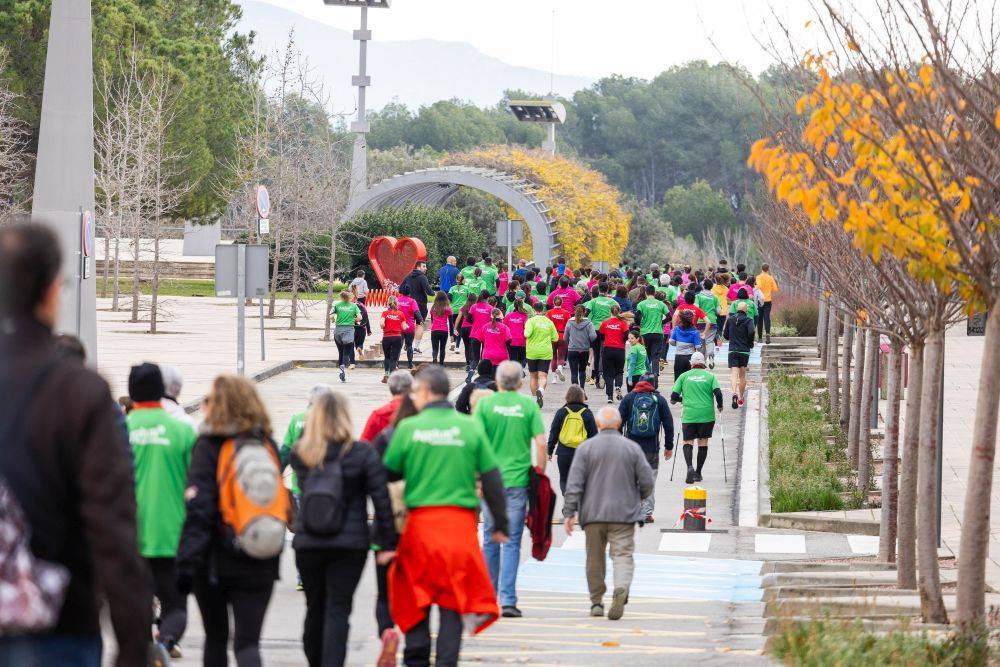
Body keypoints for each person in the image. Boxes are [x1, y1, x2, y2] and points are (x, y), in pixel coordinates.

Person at [0, 223, 152, 665]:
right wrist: (133, 645)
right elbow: (112, 525)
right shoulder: (79, 391)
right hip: (57, 624)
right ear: (51, 291)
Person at [382, 365, 509, 667]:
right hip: (459, 530)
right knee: (453, 603)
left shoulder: (409, 428)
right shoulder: (469, 427)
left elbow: (388, 472)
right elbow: (492, 478)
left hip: (421, 528)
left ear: (424, 391)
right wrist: (500, 524)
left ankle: (416, 658)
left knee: (417, 596)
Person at [177, 375, 287, 667]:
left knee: (216, 639)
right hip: (259, 556)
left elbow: (199, 509)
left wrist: (186, 563)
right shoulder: (266, 444)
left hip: (214, 560)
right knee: (248, 644)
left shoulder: (208, 445)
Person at [291, 392, 397, 667]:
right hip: (350, 544)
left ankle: (315, 660)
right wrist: (387, 542)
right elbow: (381, 499)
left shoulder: (302, 452)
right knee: (338, 609)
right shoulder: (361, 452)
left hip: (309, 540)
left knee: (315, 608)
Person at [125, 363, 198, 658]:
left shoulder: (118, 429)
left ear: (131, 393)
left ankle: (142, 646)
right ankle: (166, 643)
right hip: (172, 533)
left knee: (135, 601)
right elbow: (198, 484)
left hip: (128, 534)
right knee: (175, 604)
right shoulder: (183, 431)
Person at [562, 406, 654, 621]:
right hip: (624, 513)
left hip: (593, 514)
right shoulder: (632, 448)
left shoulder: (586, 448)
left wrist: (569, 512)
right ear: (620, 424)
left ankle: (596, 601)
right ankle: (621, 587)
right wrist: (639, 496)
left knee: (594, 558)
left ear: (598, 424)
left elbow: (574, 483)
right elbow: (647, 480)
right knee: (622, 555)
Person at [472, 361, 546, 618]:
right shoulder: (528, 406)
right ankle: (508, 600)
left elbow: (476, 444)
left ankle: (488, 597)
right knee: (512, 541)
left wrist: (477, 479)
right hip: (517, 482)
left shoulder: (485, 405)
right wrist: (539, 474)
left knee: (490, 537)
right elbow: (540, 444)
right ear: (521, 382)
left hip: (490, 483)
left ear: (498, 380)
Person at [618, 376, 674, 523]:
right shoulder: (659, 400)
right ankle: (646, 513)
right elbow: (668, 425)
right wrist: (669, 447)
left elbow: (618, 422)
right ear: (654, 385)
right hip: (652, 449)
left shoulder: (629, 398)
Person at [670, 351, 724, 484]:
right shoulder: (710, 376)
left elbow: (673, 397)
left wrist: (683, 399)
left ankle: (689, 467)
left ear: (691, 364)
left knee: (688, 442)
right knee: (702, 442)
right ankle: (698, 473)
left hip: (689, 414)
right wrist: (720, 406)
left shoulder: (683, 376)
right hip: (706, 415)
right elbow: (718, 393)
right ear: (703, 363)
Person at [547, 385, 598, 494]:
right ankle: (578, 503)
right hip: (582, 453)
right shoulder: (587, 413)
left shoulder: (561, 412)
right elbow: (594, 436)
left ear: (567, 396)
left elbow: (554, 432)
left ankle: (568, 501)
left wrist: (549, 450)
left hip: (563, 453)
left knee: (564, 479)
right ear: (582, 397)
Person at [523, 301, 559, 407]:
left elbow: (527, 334)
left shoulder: (530, 321)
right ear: (542, 310)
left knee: (533, 377)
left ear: (534, 310)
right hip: (545, 352)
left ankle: (535, 399)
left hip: (532, 352)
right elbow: (556, 338)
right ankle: (541, 390)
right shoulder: (549, 322)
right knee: (543, 376)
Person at [361, 370, 413, 442]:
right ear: (411, 387)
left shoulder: (378, 415)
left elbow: (364, 444)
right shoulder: (420, 411)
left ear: (390, 388)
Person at [724, 301, 756, 408]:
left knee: (734, 373)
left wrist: (731, 337)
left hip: (733, 350)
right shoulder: (749, 320)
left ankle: (734, 392)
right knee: (742, 375)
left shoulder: (730, 319)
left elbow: (725, 335)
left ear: (737, 309)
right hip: (744, 350)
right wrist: (750, 343)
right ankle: (741, 398)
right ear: (746, 310)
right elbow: (751, 332)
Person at [634, 285, 670, 384]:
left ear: (646, 293)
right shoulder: (661, 304)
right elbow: (669, 317)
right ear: (654, 293)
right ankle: (655, 375)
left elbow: (636, 318)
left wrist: (640, 324)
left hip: (645, 333)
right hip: (658, 333)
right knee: (656, 356)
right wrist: (661, 323)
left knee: (646, 356)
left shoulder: (641, 304)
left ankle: (647, 376)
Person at [584, 283, 618, 386]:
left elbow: (586, 314)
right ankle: (603, 375)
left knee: (596, 353)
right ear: (608, 290)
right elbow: (618, 314)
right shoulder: (613, 302)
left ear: (598, 290)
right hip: (607, 330)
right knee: (603, 354)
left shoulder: (592, 301)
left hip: (594, 330)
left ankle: (597, 379)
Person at [401, 261, 435, 354]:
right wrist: (434, 293)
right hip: (420, 305)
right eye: (424, 266)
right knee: (420, 324)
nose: (426, 268)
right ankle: (415, 347)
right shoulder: (422, 277)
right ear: (418, 267)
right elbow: (429, 291)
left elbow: (400, 289)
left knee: (408, 323)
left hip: (408, 304)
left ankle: (408, 344)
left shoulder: (408, 276)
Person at [598, 305, 629, 403]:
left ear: (610, 312)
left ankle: (610, 397)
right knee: (619, 372)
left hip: (608, 349)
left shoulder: (605, 323)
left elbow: (601, 336)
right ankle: (618, 386)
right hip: (619, 350)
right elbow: (626, 336)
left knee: (608, 374)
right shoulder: (623, 323)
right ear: (619, 311)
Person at [564, 304, 597, 387]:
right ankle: (582, 390)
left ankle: (575, 392)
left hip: (572, 350)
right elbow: (593, 336)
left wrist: (569, 343)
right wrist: (588, 341)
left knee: (574, 373)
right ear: (585, 312)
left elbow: (565, 337)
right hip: (584, 350)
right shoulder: (589, 323)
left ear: (575, 311)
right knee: (582, 371)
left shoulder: (570, 322)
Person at [332, 290, 362, 382]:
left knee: (340, 352)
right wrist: (353, 320)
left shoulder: (337, 305)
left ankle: (341, 371)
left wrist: (335, 319)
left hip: (338, 330)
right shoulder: (354, 306)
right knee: (346, 352)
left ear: (341, 297)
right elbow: (360, 317)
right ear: (350, 297)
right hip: (348, 330)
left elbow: (331, 316)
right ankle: (347, 361)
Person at [380, 296, 409, 382]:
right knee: (394, 358)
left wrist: (385, 326)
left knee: (387, 357)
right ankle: (392, 377)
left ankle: (386, 374)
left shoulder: (385, 313)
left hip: (386, 337)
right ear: (397, 303)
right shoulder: (400, 314)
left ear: (388, 303)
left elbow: (381, 323)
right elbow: (404, 327)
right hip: (397, 337)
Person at [695, 279, 722, 367]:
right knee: (709, 340)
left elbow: (696, 308)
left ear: (703, 286)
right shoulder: (715, 297)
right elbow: (719, 311)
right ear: (711, 287)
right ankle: (710, 355)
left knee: (702, 342)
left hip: (700, 321)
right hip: (712, 321)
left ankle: (702, 361)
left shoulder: (698, 296)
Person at [669, 309, 702, 382]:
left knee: (678, 378)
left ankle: (677, 392)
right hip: (690, 357)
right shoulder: (695, 331)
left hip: (679, 357)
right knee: (689, 379)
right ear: (692, 319)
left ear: (681, 319)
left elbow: (671, 341)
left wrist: (677, 344)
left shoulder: (677, 329)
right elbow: (698, 347)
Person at [396, 285, 423, 368]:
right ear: (409, 292)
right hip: (409, 326)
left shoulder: (397, 300)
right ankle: (410, 364)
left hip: (399, 326)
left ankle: (396, 363)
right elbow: (417, 312)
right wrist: (421, 320)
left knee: (398, 346)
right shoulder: (412, 301)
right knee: (409, 346)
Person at [546, 295, 571, 380]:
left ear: (553, 302)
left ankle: (554, 378)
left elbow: (546, 325)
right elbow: (569, 325)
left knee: (553, 356)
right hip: (562, 335)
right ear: (562, 303)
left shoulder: (549, 313)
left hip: (552, 336)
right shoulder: (566, 313)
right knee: (561, 356)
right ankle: (560, 368)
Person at [755, 263, 779, 344]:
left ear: (761, 269)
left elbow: (759, 286)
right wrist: (768, 289)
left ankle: (760, 338)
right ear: (768, 269)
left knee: (760, 318)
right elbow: (775, 288)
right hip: (768, 300)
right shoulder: (770, 278)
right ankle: (768, 334)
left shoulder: (758, 277)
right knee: (767, 317)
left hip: (759, 300)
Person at [454, 292, 478, 372]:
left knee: (466, 347)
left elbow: (458, 317)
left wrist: (455, 328)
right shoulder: (475, 307)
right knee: (472, 347)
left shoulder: (464, 307)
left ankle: (468, 364)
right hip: (473, 328)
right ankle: (472, 364)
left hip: (464, 328)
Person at [503, 298, 530, 367]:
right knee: (522, 360)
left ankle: (515, 373)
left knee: (513, 360)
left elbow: (504, 329)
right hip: (522, 341)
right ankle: (520, 371)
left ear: (514, 305)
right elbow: (527, 328)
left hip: (511, 341)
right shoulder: (525, 316)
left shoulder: (508, 316)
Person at [447, 273, 470, 351]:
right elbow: (469, 299)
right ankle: (457, 347)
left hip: (453, 310)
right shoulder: (467, 288)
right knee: (459, 328)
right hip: (463, 311)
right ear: (463, 280)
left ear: (456, 279)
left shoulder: (452, 288)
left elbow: (449, 298)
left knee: (454, 327)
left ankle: (452, 342)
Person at [428, 291, 452, 365]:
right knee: (442, 348)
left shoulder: (433, 308)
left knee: (435, 348)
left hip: (434, 330)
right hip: (444, 330)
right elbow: (451, 323)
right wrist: (452, 335)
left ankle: (434, 359)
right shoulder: (447, 308)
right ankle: (441, 364)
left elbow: (432, 320)